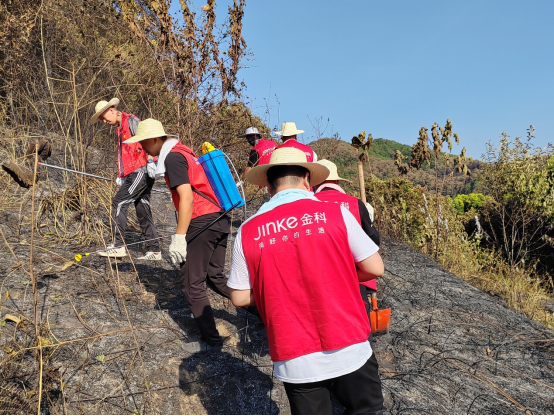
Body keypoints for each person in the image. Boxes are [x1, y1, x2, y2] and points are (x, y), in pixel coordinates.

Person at [228, 147, 385, 414]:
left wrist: (277, 288)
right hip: (349, 344)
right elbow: (374, 267)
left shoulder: (248, 231)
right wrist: (338, 275)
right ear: (306, 180)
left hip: (294, 355)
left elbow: (240, 297)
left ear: (268, 186)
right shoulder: (335, 214)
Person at [124, 119, 230, 347]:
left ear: (154, 139)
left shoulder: (172, 157)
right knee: (215, 277)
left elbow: (187, 197)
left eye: (143, 144)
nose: (142, 148)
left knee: (192, 284)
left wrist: (179, 236)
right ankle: (260, 311)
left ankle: (212, 341)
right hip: (219, 218)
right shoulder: (185, 152)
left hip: (201, 220)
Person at [314, 159, 380, 331]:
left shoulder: (308, 205)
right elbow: (373, 239)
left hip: (319, 278)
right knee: (361, 325)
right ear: (336, 181)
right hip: (355, 274)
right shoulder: (355, 203)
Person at [90, 98, 160, 260]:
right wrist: (122, 175)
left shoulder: (132, 121)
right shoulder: (120, 128)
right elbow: (126, 154)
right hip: (134, 172)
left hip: (141, 170)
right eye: (101, 120)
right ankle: (154, 250)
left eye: (104, 118)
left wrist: (151, 160)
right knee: (143, 208)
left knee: (119, 202)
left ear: (112, 110)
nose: (105, 122)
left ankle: (118, 245)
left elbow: (148, 139)